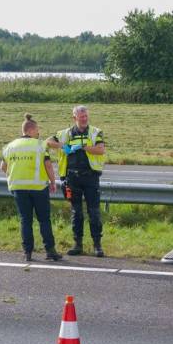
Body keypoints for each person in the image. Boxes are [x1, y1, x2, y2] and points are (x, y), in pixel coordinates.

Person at [0, 114, 61, 262]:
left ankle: (27, 252)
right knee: (44, 220)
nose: (38, 133)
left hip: (18, 188)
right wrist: (53, 182)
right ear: (32, 130)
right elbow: (48, 165)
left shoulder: (10, 146)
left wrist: (14, 175)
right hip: (38, 187)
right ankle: (50, 251)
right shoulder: (40, 145)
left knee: (25, 220)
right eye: (37, 130)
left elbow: (3, 167)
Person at [49, 105, 107, 257]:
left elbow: (101, 149)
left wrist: (82, 146)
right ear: (74, 117)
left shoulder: (95, 132)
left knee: (94, 212)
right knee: (76, 212)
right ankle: (78, 244)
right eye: (81, 117)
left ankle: (97, 245)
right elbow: (48, 142)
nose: (84, 119)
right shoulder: (65, 133)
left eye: (86, 116)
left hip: (90, 177)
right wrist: (64, 146)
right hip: (72, 178)